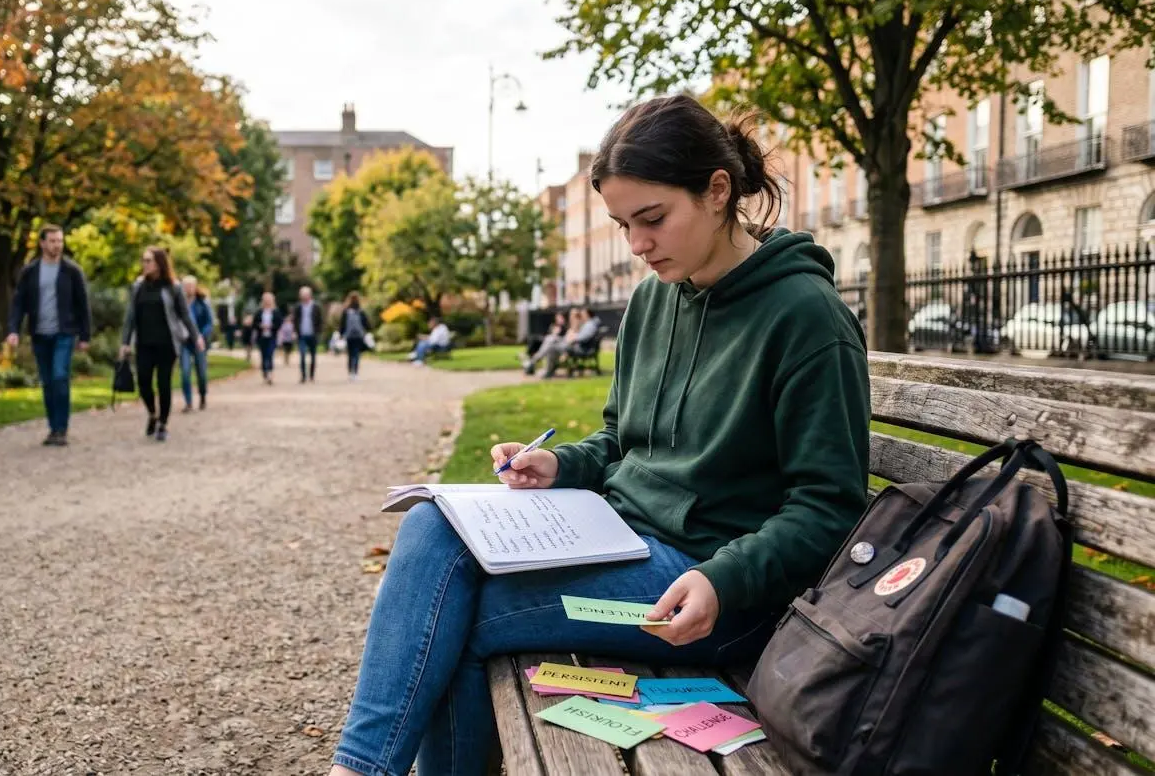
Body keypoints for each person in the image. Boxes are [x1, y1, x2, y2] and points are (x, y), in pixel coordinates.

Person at [329, 95, 870, 776]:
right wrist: (559, 464)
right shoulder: (651, 300)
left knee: (452, 618)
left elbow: (829, 506)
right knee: (431, 526)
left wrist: (724, 579)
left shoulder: (806, 316)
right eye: (622, 225)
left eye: (652, 219)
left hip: (710, 592)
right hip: (617, 539)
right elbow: (622, 441)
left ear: (718, 190)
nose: (637, 245)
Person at [5, 224, 92, 447]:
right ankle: (53, 428)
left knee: (59, 376)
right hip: (39, 334)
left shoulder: (72, 271)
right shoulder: (31, 271)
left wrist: (85, 336)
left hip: (64, 333)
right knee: (47, 382)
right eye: (52, 241)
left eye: (60, 241)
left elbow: (83, 305)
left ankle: (61, 428)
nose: (57, 245)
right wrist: (13, 329)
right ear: (43, 243)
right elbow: (18, 303)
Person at [119, 247, 197, 442]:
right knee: (143, 381)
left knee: (163, 383)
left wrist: (196, 337)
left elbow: (184, 315)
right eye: (143, 260)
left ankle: (163, 423)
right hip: (144, 343)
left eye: (148, 261)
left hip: (167, 344)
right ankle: (152, 413)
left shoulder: (173, 287)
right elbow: (130, 316)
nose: (144, 264)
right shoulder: (138, 286)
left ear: (159, 263)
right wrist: (125, 342)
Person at [179, 276, 215, 412]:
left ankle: (203, 397)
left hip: (199, 342)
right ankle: (188, 402)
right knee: (185, 372)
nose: (188, 289)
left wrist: (201, 335)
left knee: (201, 372)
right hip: (184, 342)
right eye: (185, 286)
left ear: (195, 287)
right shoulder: (179, 303)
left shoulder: (202, 302)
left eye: (190, 286)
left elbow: (209, 322)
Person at [541, 308, 603, 379]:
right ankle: (550, 369)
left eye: (583, 314)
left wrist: (574, 338)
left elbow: (584, 338)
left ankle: (549, 372)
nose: (581, 315)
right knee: (553, 345)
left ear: (587, 314)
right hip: (579, 347)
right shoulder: (589, 324)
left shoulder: (590, 325)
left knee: (552, 348)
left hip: (582, 349)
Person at [291, 285, 326, 383]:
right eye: (302, 295)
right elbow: (295, 320)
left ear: (310, 295)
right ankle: (303, 376)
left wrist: (319, 332)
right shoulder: (298, 307)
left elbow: (320, 320)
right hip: (302, 334)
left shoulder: (316, 306)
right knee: (302, 355)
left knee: (313, 356)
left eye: (306, 295)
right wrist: (294, 331)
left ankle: (311, 376)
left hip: (313, 334)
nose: (304, 297)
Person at [522, 311, 570, 376]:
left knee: (550, 339)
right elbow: (549, 333)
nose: (558, 319)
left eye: (560, 317)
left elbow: (567, 339)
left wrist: (556, 333)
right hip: (551, 344)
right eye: (557, 317)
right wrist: (554, 332)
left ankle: (532, 361)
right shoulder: (554, 325)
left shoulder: (567, 327)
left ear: (564, 318)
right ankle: (532, 361)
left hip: (560, 345)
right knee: (545, 339)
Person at [339, 292, 372, 381]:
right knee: (356, 354)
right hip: (359, 335)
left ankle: (350, 372)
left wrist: (341, 334)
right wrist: (368, 331)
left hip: (349, 336)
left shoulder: (346, 311)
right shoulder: (360, 311)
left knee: (350, 355)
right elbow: (366, 323)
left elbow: (342, 324)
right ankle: (356, 372)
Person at [253, 291, 283, 385]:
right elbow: (254, 324)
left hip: (272, 336)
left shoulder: (276, 312)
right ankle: (265, 372)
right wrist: (261, 326)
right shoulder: (259, 312)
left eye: (269, 300)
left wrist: (271, 326)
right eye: (266, 300)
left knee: (270, 355)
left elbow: (279, 323)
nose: (267, 302)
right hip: (262, 337)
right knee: (263, 356)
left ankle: (270, 374)